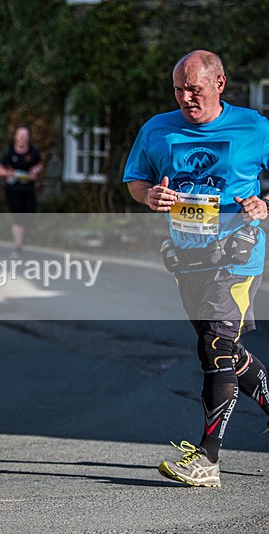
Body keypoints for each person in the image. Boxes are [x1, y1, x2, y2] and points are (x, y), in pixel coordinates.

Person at [124, 50, 269, 488]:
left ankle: (206, 460)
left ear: (219, 84)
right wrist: (149, 196)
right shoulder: (157, 129)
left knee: (216, 350)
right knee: (229, 354)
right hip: (188, 261)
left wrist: (264, 205)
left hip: (239, 259)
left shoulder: (255, 127)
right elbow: (135, 181)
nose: (186, 97)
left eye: (195, 89)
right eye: (179, 89)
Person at [0, 126, 43, 258]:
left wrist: (34, 171)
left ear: (28, 138)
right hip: (13, 189)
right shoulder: (10, 153)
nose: (22, 138)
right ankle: (18, 246)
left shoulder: (33, 152)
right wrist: (7, 173)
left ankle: (24, 240)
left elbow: (39, 165)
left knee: (28, 215)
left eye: (25, 135)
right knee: (18, 217)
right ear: (16, 137)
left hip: (28, 188)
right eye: (20, 135)